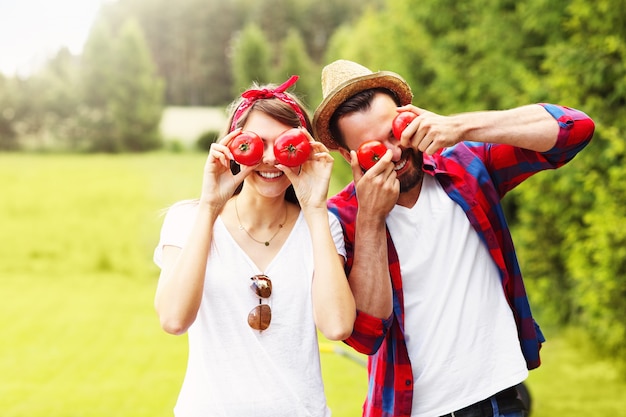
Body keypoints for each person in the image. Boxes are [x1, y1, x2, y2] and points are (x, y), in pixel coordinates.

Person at [312, 60, 595, 417]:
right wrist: (371, 219)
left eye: (395, 133)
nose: (395, 153)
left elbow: (575, 129)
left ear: (410, 117)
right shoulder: (341, 220)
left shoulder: (466, 167)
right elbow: (366, 335)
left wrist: (459, 125)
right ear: (346, 155)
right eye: (374, 149)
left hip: (500, 400)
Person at [154, 75, 356, 417]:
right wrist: (210, 206)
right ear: (232, 146)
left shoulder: (320, 226)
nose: (271, 158)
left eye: (284, 143)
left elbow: (336, 326)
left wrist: (316, 208)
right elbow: (174, 319)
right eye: (256, 142)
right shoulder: (187, 219)